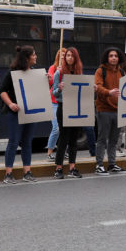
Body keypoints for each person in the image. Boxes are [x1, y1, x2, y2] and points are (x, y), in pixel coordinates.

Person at [0, 45, 39, 183]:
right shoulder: (12, 73)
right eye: (34, 55)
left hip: (30, 113)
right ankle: (8, 174)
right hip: (15, 113)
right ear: (27, 58)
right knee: (13, 142)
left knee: (27, 142)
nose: (36, 57)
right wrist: (10, 104)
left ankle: (27, 172)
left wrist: (46, 80)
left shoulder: (35, 73)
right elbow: (2, 90)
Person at [94, 47, 126, 174]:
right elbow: (97, 87)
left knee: (114, 139)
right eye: (111, 56)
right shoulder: (100, 70)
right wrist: (109, 92)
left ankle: (112, 164)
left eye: (116, 56)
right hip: (104, 109)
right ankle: (99, 165)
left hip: (118, 110)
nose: (114, 58)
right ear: (107, 58)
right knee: (102, 138)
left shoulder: (121, 71)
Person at [52, 47, 85, 179]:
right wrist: (59, 89)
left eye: (72, 56)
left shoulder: (79, 73)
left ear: (76, 58)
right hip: (63, 107)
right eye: (67, 56)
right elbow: (53, 93)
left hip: (76, 108)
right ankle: (58, 168)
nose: (69, 58)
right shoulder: (59, 73)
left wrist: (91, 89)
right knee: (64, 138)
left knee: (73, 140)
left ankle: (72, 167)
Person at [45, 47, 66, 161]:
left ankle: (64, 151)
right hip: (54, 102)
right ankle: (50, 152)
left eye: (65, 54)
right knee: (56, 128)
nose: (63, 56)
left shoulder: (69, 69)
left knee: (65, 128)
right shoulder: (53, 68)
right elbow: (50, 82)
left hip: (65, 102)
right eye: (61, 54)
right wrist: (56, 74)